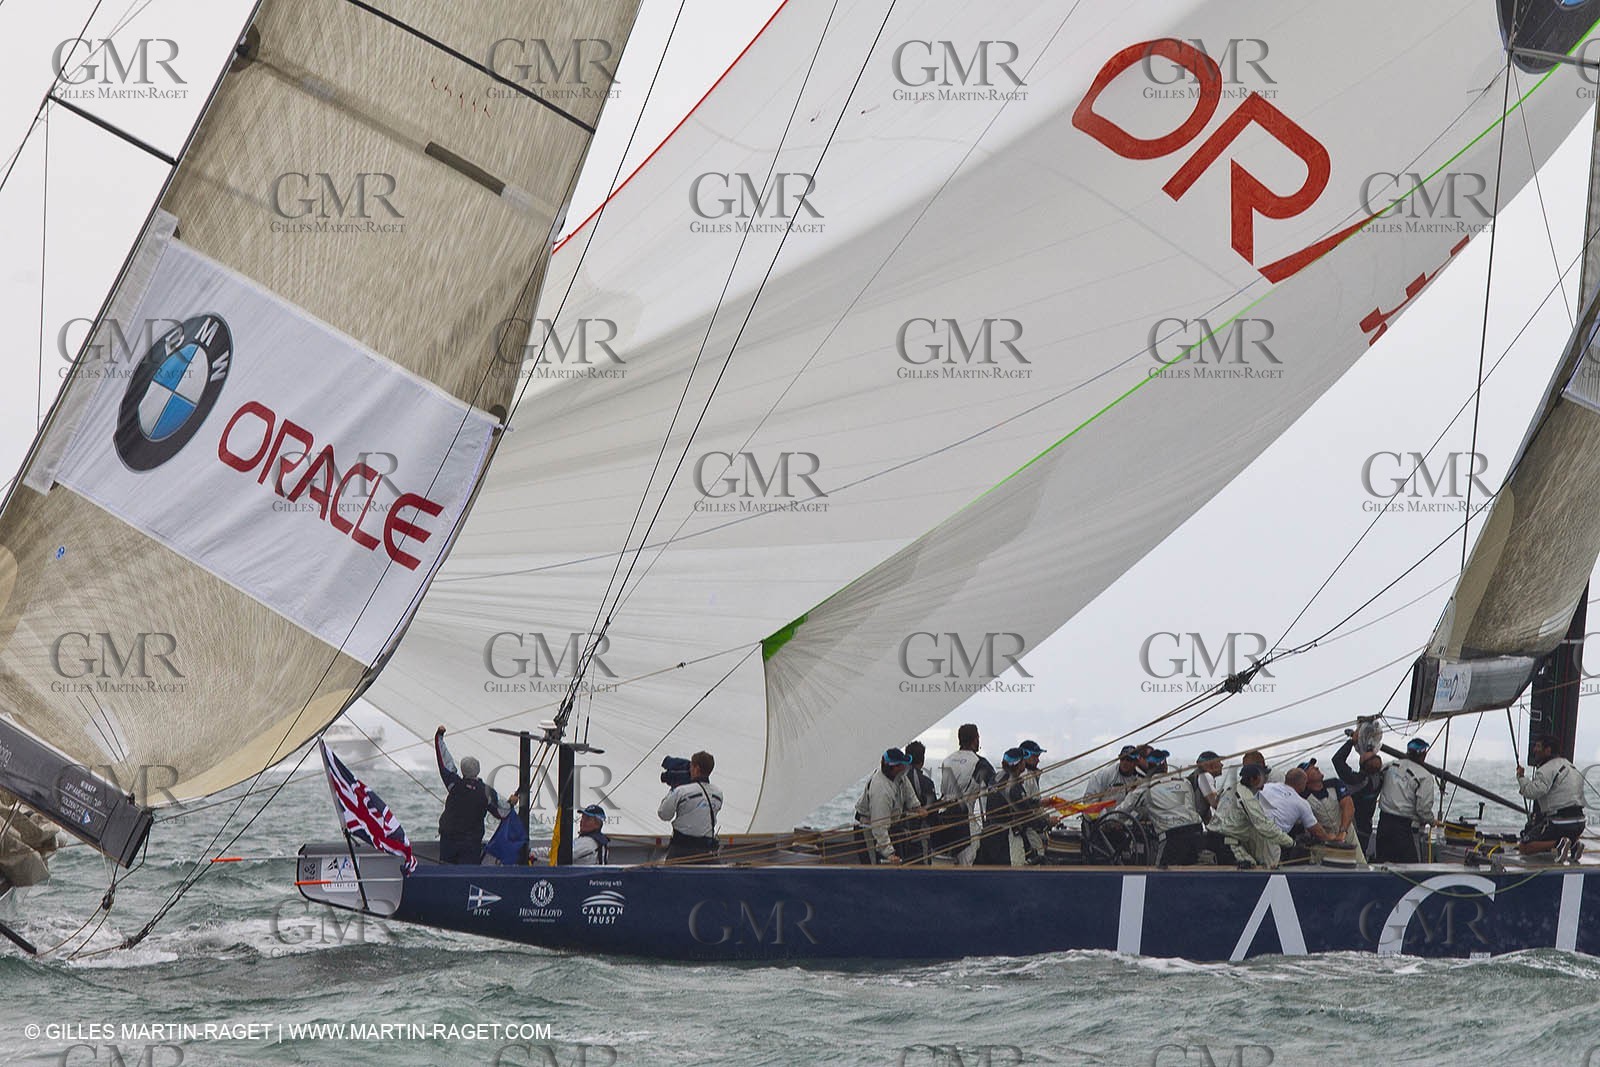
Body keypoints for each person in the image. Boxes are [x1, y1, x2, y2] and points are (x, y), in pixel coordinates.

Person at [435, 726, 519, 865]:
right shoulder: (486, 792)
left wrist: (439, 737)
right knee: (468, 875)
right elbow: (501, 813)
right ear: (478, 770)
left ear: (462, 770)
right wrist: (511, 803)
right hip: (471, 844)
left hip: (448, 839)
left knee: (446, 872)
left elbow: (444, 762)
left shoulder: (454, 784)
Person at [1117, 749, 1208, 866]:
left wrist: (1108, 822)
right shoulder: (1184, 782)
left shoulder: (1145, 788)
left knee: (1160, 873)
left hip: (1172, 837)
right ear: (1165, 766)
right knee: (1193, 870)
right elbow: (1181, 806)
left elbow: (1122, 811)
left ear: (1148, 768)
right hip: (1196, 832)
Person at [1517, 733, 1586, 859]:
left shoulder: (1545, 770)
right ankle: (1574, 845)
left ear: (1548, 750)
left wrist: (1521, 777)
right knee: (1563, 832)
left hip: (1560, 822)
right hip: (1580, 822)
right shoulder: (1570, 766)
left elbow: (1531, 792)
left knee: (1524, 847)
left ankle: (1559, 844)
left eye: (1538, 746)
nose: (1534, 750)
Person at [1213, 764, 1294, 868]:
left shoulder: (1232, 788)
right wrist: (1291, 843)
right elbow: (1265, 827)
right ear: (1252, 779)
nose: (1265, 779)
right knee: (1251, 868)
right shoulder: (1247, 798)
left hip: (1218, 838)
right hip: (1228, 843)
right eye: (1263, 777)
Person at [937, 724, 994, 865]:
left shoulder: (947, 760)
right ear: (975, 740)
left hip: (944, 817)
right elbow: (993, 790)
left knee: (946, 862)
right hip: (964, 821)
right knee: (967, 864)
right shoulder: (980, 763)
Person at [1375, 738, 1437, 863]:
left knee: (1382, 863)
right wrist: (1431, 821)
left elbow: (1376, 781)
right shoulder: (1425, 777)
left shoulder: (1390, 766)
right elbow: (1423, 809)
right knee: (1409, 868)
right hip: (1404, 829)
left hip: (1383, 824)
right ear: (1424, 754)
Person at [856, 748, 922, 864]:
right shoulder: (881, 790)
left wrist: (917, 807)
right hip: (869, 829)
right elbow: (879, 826)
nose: (906, 767)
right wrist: (889, 854)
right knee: (873, 867)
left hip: (888, 825)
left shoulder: (899, 775)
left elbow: (908, 791)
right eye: (903, 764)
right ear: (895, 767)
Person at [658, 750, 723, 863]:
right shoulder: (718, 794)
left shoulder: (681, 791)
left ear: (696, 769)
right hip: (707, 851)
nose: (689, 770)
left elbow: (664, 814)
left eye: (691, 767)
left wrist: (673, 788)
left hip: (681, 849)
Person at [1332, 730, 1384, 855]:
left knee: (1349, 857)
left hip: (1353, 828)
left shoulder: (1357, 781)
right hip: (1366, 828)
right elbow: (1373, 763)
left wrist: (1351, 742)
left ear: (1362, 763)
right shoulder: (1380, 779)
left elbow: (1337, 760)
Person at [976, 749, 1030, 866]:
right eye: (1023, 761)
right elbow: (1027, 814)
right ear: (1019, 764)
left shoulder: (995, 778)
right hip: (1006, 838)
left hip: (990, 836)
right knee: (1012, 871)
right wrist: (1046, 822)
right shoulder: (1014, 786)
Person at [899, 741, 939, 864]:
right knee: (922, 868)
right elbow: (932, 812)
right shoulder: (926, 782)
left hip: (899, 835)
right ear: (922, 759)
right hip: (920, 836)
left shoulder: (898, 778)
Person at [1303, 763, 1356, 849]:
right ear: (1304, 777)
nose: (1317, 768)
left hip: (1348, 836)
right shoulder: (1303, 798)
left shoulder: (1335, 784)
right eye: (1311, 768)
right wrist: (1326, 837)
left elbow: (1348, 805)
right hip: (1324, 844)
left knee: (1358, 858)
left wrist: (1343, 831)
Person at [1017, 740, 1051, 861]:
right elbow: (1025, 808)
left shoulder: (1031, 775)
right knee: (1038, 857)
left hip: (1033, 827)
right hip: (1027, 830)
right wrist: (1046, 822)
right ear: (1024, 756)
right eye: (1035, 756)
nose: (1038, 760)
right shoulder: (1025, 776)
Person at [1189, 751, 1224, 823]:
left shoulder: (1196, 775)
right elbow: (1215, 803)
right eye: (1218, 762)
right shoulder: (1205, 777)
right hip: (1194, 823)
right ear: (1209, 765)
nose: (1222, 765)